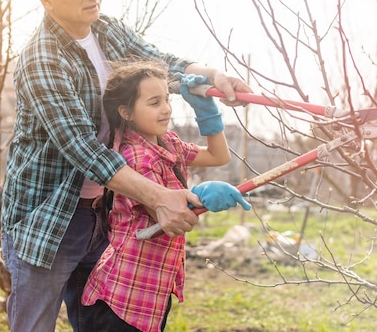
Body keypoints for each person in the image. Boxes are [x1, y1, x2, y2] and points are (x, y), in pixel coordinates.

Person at [0, 0, 252, 332]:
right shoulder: (42, 58)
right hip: (49, 217)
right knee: (33, 325)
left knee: (100, 321)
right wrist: (159, 197)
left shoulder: (106, 30)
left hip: (106, 210)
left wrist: (210, 77)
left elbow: (158, 64)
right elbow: (82, 148)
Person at [81, 61, 252, 332]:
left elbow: (219, 156)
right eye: (154, 102)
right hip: (125, 296)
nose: (165, 109)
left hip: (151, 290)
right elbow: (163, 212)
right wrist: (201, 196)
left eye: (166, 99)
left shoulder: (168, 143)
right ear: (126, 111)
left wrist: (206, 113)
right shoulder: (135, 156)